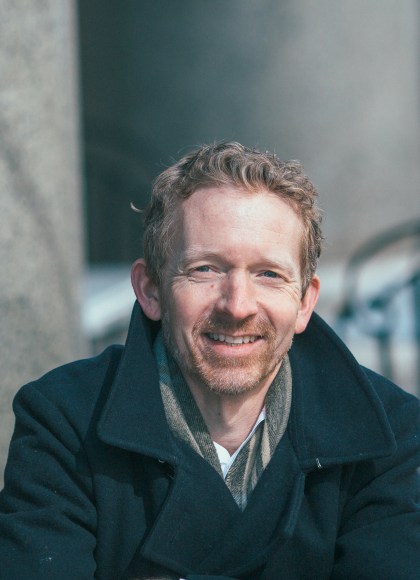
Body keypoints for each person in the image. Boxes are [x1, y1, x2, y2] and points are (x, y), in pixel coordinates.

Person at [0, 142, 419, 580]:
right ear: (151, 290)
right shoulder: (65, 421)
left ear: (304, 303)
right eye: (205, 269)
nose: (237, 306)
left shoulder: (391, 434)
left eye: (268, 274)